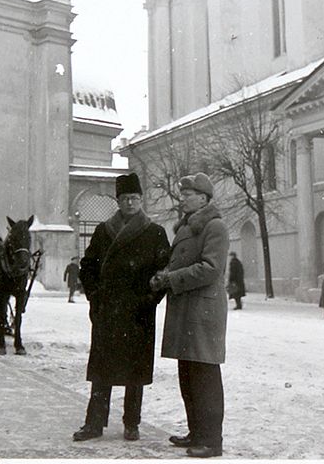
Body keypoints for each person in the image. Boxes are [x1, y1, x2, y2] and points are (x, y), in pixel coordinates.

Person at [73, 172, 170, 442]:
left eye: (135, 198)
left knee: (134, 373)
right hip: (108, 311)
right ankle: (94, 424)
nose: (130, 203)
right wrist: (95, 296)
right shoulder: (104, 230)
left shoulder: (155, 232)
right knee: (102, 371)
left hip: (139, 312)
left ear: (141, 200)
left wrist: (149, 300)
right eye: (126, 198)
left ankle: (132, 423)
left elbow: (164, 272)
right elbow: (88, 266)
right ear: (118, 201)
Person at [150, 172, 229, 458]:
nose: (182, 198)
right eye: (182, 194)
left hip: (203, 311)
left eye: (188, 194)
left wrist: (171, 278)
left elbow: (211, 269)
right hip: (188, 309)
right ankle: (197, 433)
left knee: (205, 375)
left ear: (203, 198)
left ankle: (211, 440)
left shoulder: (215, 226)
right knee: (188, 374)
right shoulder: (188, 227)